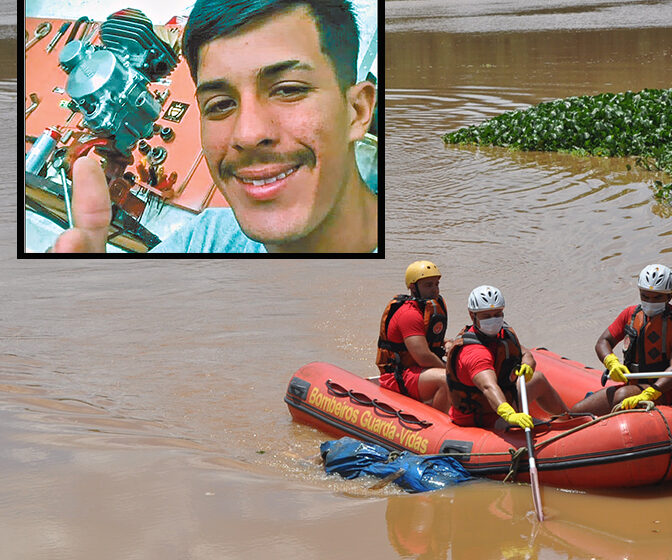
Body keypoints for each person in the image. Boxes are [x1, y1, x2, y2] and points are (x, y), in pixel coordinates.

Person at [52, 0, 377, 253]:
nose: (247, 134)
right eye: (220, 104)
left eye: (288, 90)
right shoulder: (203, 241)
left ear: (357, 111)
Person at [571, 264, 672, 415]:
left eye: (657, 297)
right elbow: (603, 342)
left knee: (622, 395)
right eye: (645, 296)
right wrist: (611, 362)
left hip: (667, 391)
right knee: (576, 412)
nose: (650, 302)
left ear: (670, 296)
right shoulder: (630, 315)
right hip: (634, 385)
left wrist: (649, 394)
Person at [445, 285, 567, 429]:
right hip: (480, 416)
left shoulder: (503, 334)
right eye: (487, 316)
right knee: (540, 428)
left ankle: (567, 419)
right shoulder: (474, 353)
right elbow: (488, 386)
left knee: (537, 379)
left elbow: (524, 352)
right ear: (473, 316)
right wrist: (509, 414)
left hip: (503, 400)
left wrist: (528, 364)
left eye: (497, 314)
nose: (494, 320)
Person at [375, 261, 450, 412]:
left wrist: (448, 344)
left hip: (418, 371)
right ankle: (438, 423)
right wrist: (451, 372)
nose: (435, 290)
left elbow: (428, 342)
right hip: (398, 375)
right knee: (447, 380)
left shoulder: (427, 309)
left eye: (436, 284)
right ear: (413, 287)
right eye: (428, 285)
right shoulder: (409, 314)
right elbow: (423, 357)